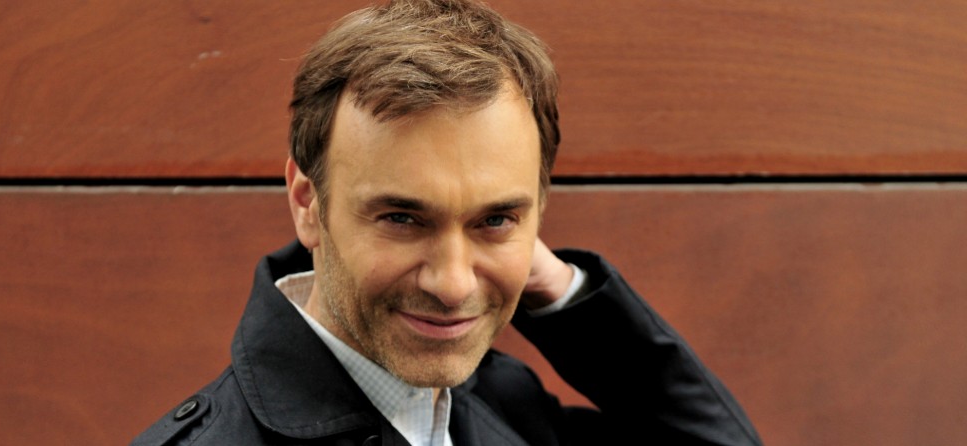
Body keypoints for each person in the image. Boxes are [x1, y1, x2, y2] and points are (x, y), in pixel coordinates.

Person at [132, 0, 763, 444]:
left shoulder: (501, 403)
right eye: (402, 217)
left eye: (496, 218)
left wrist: (556, 290)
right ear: (307, 203)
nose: (454, 285)